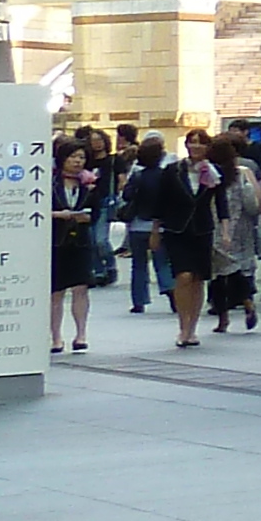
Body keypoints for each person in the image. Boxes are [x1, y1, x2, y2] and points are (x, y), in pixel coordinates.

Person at [151, 131, 220, 351]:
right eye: (193, 143)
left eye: (201, 143)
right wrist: (155, 230)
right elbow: (160, 201)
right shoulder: (173, 170)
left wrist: (225, 230)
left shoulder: (212, 171)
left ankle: (192, 328)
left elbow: (221, 202)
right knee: (183, 275)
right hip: (176, 229)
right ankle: (182, 325)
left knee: (198, 278)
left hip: (202, 229)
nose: (196, 147)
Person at [48, 135, 105, 356]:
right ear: (62, 158)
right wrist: (59, 215)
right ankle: (56, 337)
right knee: (56, 292)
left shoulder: (89, 184)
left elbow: (97, 211)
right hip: (56, 241)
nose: (77, 161)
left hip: (81, 241)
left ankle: (81, 335)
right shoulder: (50, 183)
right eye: (73, 156)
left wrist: (86, 217)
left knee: (81, 288)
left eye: (81, 157)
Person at [208, 160, 261, 333]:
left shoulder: (208, 173)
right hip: (240, 229)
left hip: (212, 228)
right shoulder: (242, 172)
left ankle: (222, 317)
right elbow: (253, 201)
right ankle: (246, 299)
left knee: (218, 275)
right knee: (237, 269)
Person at [119, 134, 162, 317]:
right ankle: (172, 293)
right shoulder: (166, 175)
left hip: (138, 224)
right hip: (159, 225)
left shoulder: (137, 176)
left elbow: (126, 196)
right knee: (163, 263)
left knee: (138, 265)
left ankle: (139, 301)